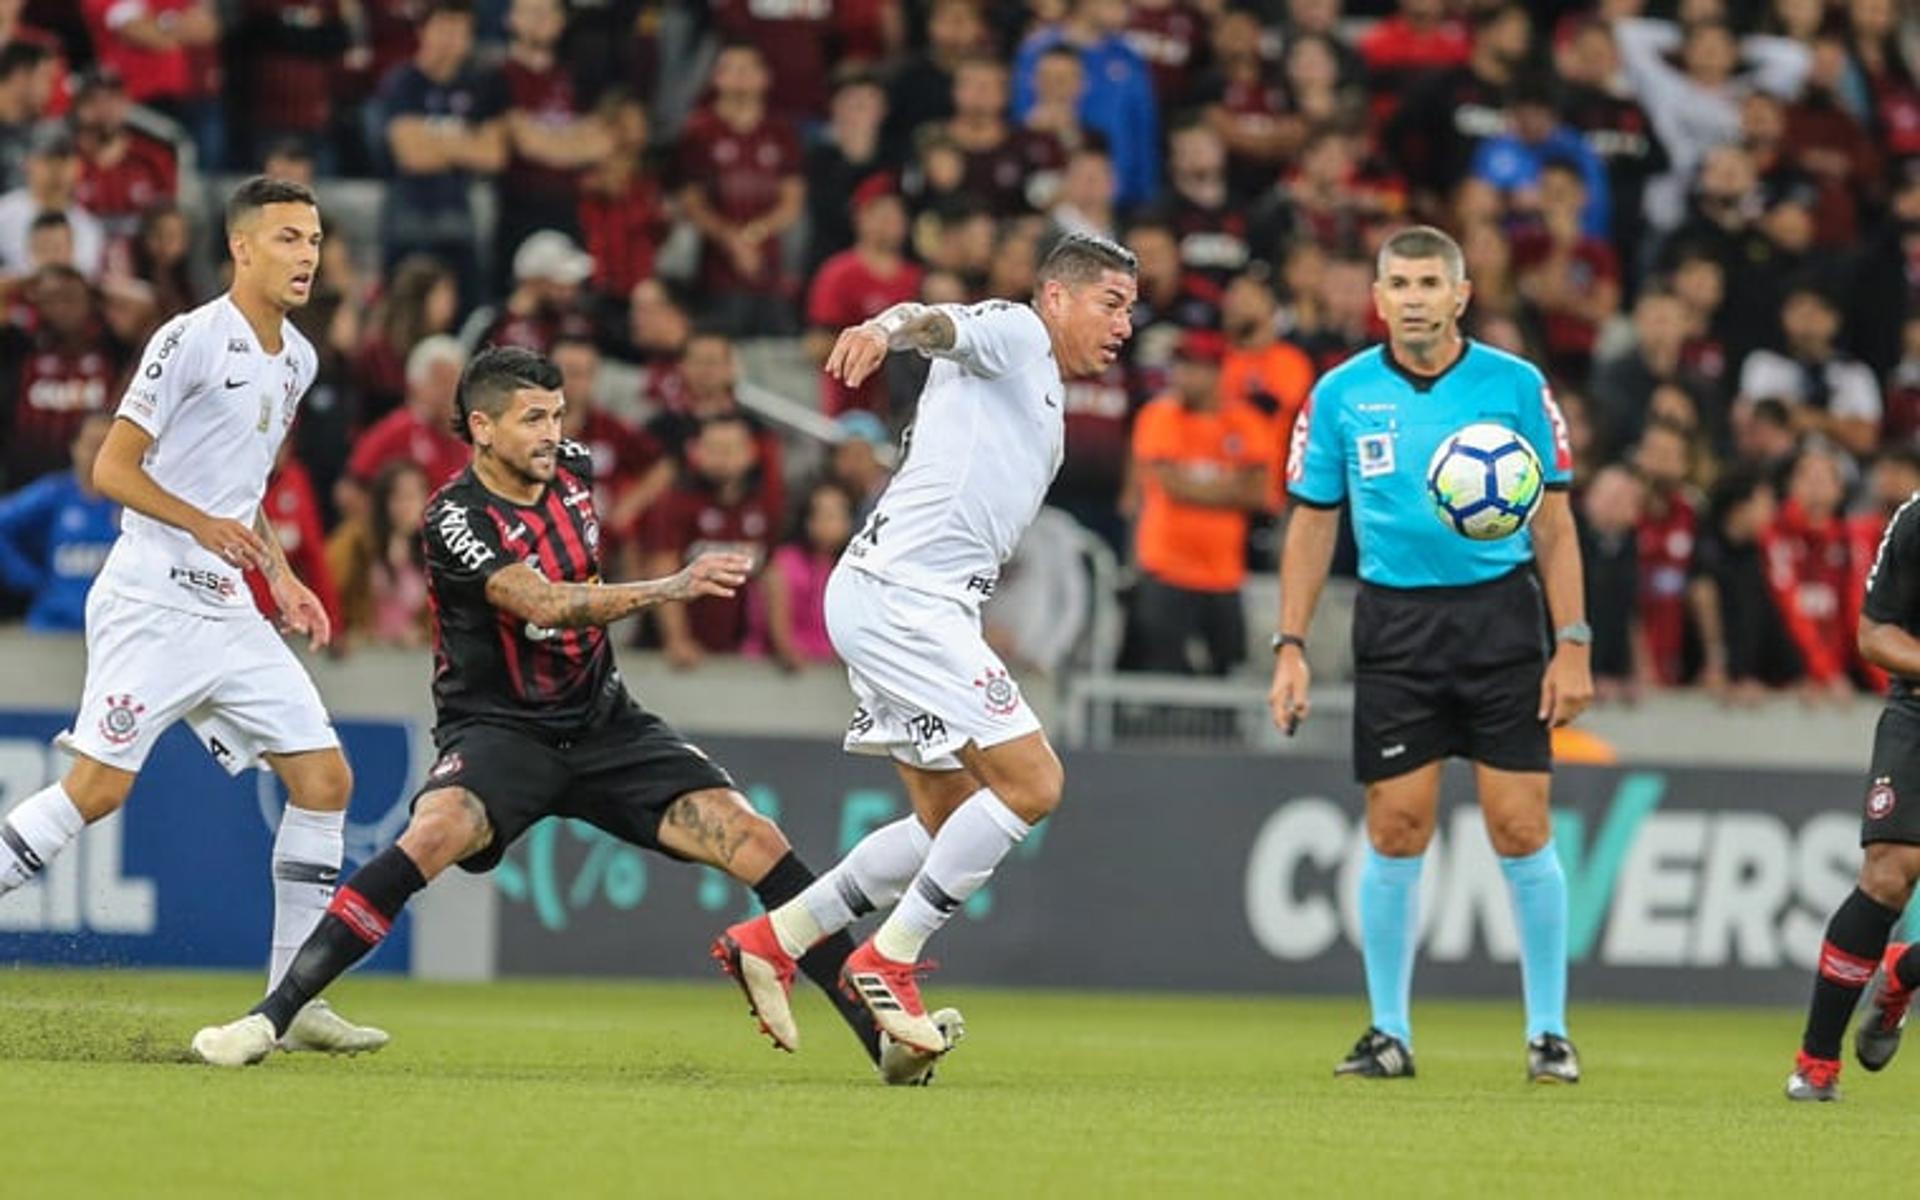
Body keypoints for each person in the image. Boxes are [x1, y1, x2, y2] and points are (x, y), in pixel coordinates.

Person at [188, 346, 935, 1085]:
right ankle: (270, 1019)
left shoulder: (572, 466)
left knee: (755, 838)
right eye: (532, 418)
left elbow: (662, 459)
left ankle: (884, 1039)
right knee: (435, 832)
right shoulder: (455, 517)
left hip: (606, 722)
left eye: (557, 415)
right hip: (499, 733)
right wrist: (669, 586)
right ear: (481, 428)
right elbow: (538, 600)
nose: (551, 432)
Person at [712, 232, 1138, 1061]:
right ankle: (889, 960)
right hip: (908, 601)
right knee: (1034, 782)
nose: (1125, 325)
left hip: (899, 597)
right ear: (1057, 296)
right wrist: (885, 326)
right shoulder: (1017, 334)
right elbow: (941, 322)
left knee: (947, 817)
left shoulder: (1038, 385)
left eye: (1131, 308)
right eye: (1111, 302)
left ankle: (775, 938)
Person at [0, 177, 384, 1054]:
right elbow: (116, 472)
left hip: (229, 609)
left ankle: (295, 1002)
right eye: (287, 238)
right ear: (241, 248)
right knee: (98, 791)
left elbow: (239, 493)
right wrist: (202, 522)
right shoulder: (188, 339)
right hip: (153, 596)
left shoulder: (299, 358)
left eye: (315, 240)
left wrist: (281, 576)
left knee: (325, 781)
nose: (306, 256)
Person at [1270, 225, 1590, 1084]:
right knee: (1396, 825)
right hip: (1397, 626)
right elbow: (1311, 520)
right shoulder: (1339, 395)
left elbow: (1555, 522)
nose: (1412, 297)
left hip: (1502, 623)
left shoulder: (1516, 386)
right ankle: (1387, 1032)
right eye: (1398, 283)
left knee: (1520, 826)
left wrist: (1574, 642)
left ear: (1460, 295)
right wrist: (1290, 645)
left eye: (1428, 283)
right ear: (1377, 299)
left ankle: (1549, 1032)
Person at [1785, 480, 1920, 1100]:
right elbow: (1875, 636)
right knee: (1891, 872)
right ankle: (1816, 1061)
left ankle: (1904, 971)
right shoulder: (1917, 520)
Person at [0, 411, 118, 631]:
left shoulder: (134, 502)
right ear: (74, 447)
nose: (97, 454)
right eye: (92, 445)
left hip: (112, 627)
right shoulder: (54, 493)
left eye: (106, 445)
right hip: (54, 625)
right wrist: (30, 578)